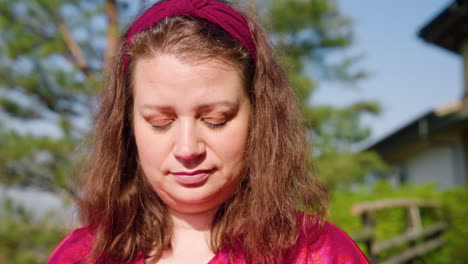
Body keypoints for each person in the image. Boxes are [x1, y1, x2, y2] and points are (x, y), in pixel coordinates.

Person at [48, 0, 370, 263]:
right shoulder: (84, 256)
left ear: (258, 117)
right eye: (161, 122)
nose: (188, 149)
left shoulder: (317, 253)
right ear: (127, 126)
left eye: (216, 119)